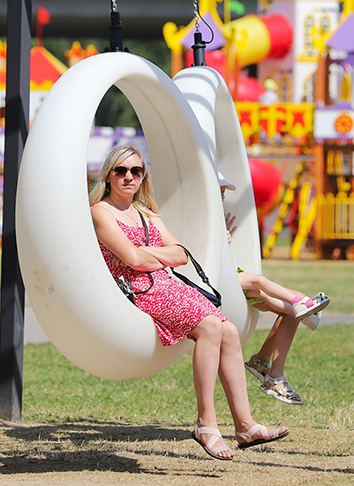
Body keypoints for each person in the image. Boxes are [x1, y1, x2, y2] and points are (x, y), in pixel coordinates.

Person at [89, 145, 289, 461]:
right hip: (139, 291)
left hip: (168, 285)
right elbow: (130, 260)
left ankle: (245, 425)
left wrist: (146, 253)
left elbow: (181, 254)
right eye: (121, 171)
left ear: (143, 177)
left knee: (230, 332)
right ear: (109, 175)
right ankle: (205, 424)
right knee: (211, 327)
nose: (129, 177)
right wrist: (150, 255)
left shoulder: (146, 213)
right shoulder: (100, 211)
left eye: (136, 171)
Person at [220, 181, 329, 405]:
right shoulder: (203, 216)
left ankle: (264, 364)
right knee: (261, 282)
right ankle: (304, 306)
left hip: (230, 274)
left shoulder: (216, 215)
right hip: (220, 280)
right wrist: (222, 241)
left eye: (223, 191)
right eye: (219, 190)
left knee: (289, 313)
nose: (222, 195)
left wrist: (225, 240)